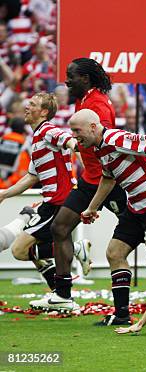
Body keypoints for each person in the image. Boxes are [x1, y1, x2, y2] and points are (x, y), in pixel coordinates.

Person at [62, 109, 146, 325]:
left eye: (76, 130)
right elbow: (108, 179)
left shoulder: (115, 138)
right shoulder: (99, 148)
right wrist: (92, 208)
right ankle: (121, 315)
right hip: (135, 207)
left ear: (92, 127)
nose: (74, 136)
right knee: (114, 252)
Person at [48, 58, 127, 311]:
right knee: (60, 228)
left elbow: (108, 146)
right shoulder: (83, 100)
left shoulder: (98, 107)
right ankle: (63, 294)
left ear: (85, 79)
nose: (66, 80)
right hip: (90, 180)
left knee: (143, 235)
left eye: (71, 75)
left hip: (110, 181)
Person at [0, 93, 89, 300]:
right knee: (31, 253)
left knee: (20, 251)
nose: (26, 107)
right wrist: (5, 193)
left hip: (59, 201)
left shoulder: (48, 129)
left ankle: (76, 249)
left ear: (44, 112)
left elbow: (69, 140)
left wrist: (83, 157)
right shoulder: (38, 137)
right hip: (51, 201)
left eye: (32, 104)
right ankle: (61, 296)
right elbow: (31, 177)